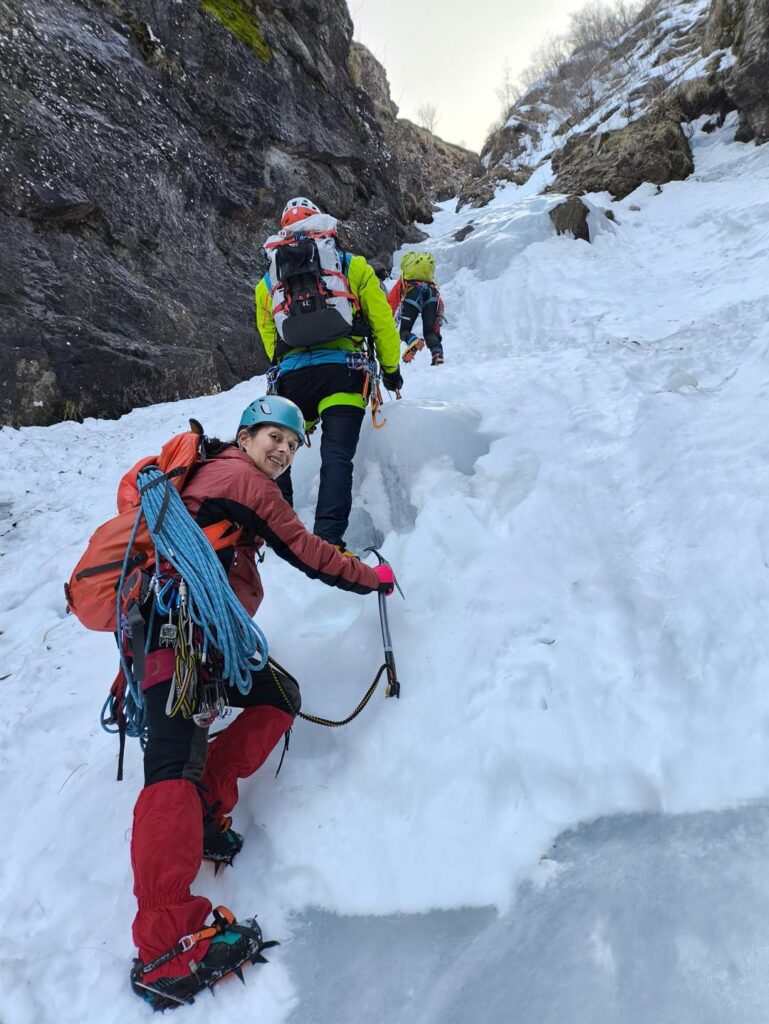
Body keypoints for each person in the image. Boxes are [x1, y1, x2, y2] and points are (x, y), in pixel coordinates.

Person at [129, 395, 395, 1009]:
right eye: (273, 435)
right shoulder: (243, 480)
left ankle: (204, 810)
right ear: (244, 437)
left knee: (278, 694)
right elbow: (306, 549)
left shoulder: (218, 476)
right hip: (178, 625)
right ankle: (167, 947)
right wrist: (368, 576)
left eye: (293, 444)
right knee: (171, 765)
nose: (282, 450)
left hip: (193, 630)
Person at [254, 197, 403, 553]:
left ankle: (280, 530)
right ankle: (328, 542)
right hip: (344, 373)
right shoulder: (351, 265)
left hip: (291, 381)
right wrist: (392, 370)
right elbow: (382, 321)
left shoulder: (268, 280)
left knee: (277, 450)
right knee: (337, 456)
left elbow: (269, 335)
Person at [387, 251, 445, 366]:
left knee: (404, 331)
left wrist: (386, 319)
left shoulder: (405, 280)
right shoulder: (431, 283)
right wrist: (437, 332)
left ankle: (412, 340)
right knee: (430, 332)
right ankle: (437, 353)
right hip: (432, 295)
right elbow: (440, 308)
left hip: (413, 293)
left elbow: (392, 300)